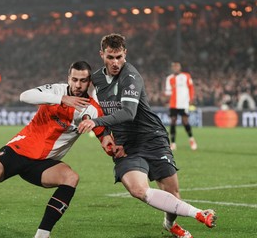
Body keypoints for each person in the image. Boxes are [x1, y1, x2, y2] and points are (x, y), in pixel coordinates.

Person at [0, 61, 114, 238]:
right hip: (17, 151)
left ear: (89, 82)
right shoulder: (55, 90)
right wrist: (61, 99)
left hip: (43, 165)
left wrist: (109, 145)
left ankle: (42, 235)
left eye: (83, 80)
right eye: (74, 79)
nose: (77, 85)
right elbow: (25, 96)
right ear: (68, 78)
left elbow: (104, 137)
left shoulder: (92, 109)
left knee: (71, 177)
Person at [78, 33, 217, 238]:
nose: (115, 62)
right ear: (102, 55)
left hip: (152, 137)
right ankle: (198, 213)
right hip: (126, 145)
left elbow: (128, 113)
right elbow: (95, 106)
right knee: (138, 190)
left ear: (125, 53)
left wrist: (96, 123)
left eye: (119, 57)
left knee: (172, 195)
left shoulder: (131, 76)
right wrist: (105, 134)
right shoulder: (97, 78)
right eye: (110, 57)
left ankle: (170, 225)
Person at [164, 61, 197, 151]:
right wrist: (167, 95)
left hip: (184, 103)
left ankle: (191, 139)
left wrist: (190, 99)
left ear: (180, 67)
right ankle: (173, 143)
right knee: (173, 121)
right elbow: (167, 92)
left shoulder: (186, 76)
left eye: (177, 66)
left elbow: (191, 88)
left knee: (185, 121)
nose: (175, 68)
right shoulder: (169, 78)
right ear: (172, 68)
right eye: (174, 66)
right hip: (173, 104)